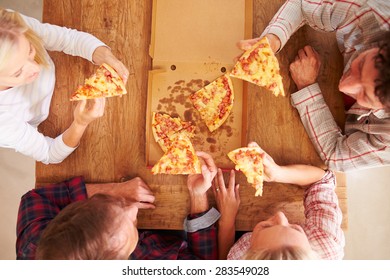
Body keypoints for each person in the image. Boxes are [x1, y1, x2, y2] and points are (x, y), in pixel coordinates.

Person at [238, 0, 390, 172]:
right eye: (361, 64)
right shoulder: (373, 12)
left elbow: (336, 156)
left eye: (365, 95)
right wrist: (272, 41)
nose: (344, 86)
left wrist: (307, 87)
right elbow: (302, 5)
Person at [16, 152, 219, 260]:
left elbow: (35, 200)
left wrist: (114, 190)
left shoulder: (33, 245)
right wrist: (198, 195)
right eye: (131, 223)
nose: (133, 208)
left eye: (115, 205)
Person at [0, 8, 129, 164]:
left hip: (63, 71)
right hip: (47, 119)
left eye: (30, 50)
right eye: (17, 73)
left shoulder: (8, 26)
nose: (35, 68)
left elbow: (69, 39)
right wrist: (80, 123)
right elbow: (50, 153)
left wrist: (105, 56)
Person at [214, 142, 345, 260]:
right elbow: (322, 181)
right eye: (295, 228)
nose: (280, 215)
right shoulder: (327, 243)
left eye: (266, 227)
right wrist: (278, 173)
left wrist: (227, 221)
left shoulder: (237, 259)